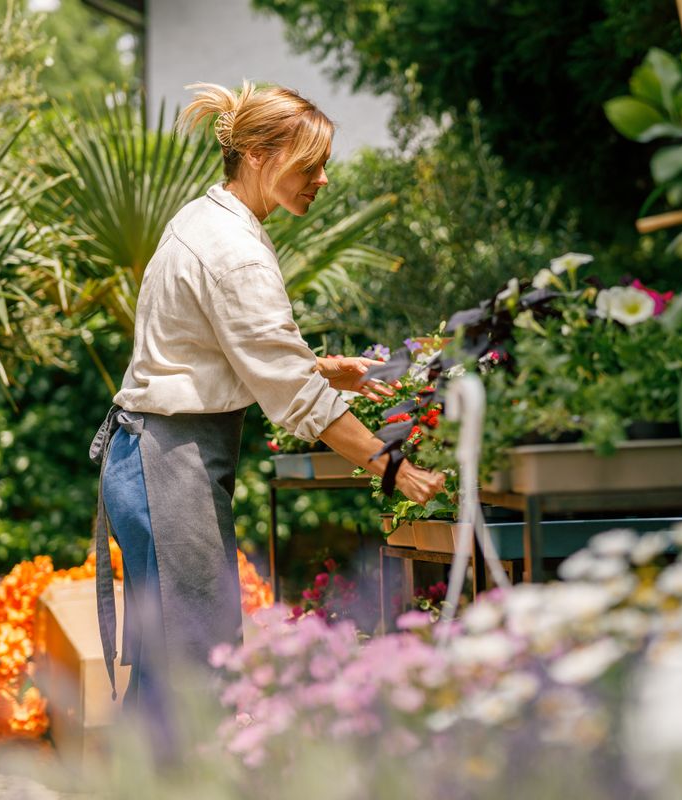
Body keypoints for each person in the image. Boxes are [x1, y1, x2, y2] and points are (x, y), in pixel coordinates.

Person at [88, 80, 445, 719]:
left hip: (152, 457)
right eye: (311, 164)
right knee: (194, 669)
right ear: (257, 154)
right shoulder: (234, 250)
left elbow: (223, 348)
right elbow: (294, 395)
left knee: (169, 670)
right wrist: (394, 466)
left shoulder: (210, 216)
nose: (323, 179)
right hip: (167, 465)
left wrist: (321, 366)